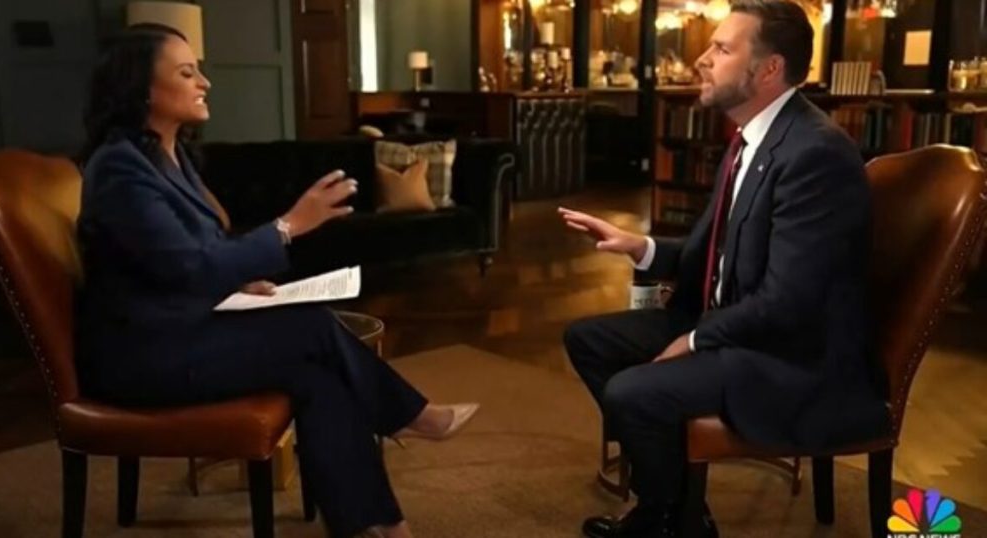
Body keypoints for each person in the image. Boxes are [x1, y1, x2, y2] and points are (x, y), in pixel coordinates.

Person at [75, 23, 478, 538]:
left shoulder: (167, 156)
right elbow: (190, 267)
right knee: (312, 328)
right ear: (142, 88)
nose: (205, 82)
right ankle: (408, 414)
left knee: (317, 376)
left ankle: (376, 525)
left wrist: (237, 285)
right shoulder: (119, 168)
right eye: (187, 72)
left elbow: (179, 259)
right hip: (142, 357)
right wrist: (288, 226)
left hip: (179, 329)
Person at [559, 2, 889, 536]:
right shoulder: (750, 139)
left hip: (791, 356)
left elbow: (788, 304)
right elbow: (718, 254)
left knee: (631, 393)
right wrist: (640, 246)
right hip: (740, 325)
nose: (702, 60)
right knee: (589, 341)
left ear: (769, 69)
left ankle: (666, 515)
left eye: (722, 48)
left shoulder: (816, 153)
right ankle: (677, 508)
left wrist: (694, 340)